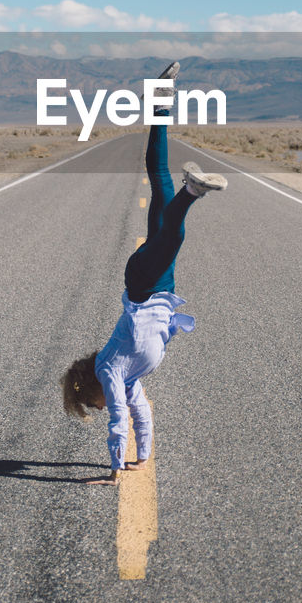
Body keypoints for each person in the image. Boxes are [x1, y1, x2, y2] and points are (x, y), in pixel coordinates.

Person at [60, 63, 227, 485]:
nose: (100, 408)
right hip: (162, 291)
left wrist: (116, 470)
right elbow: (139, 411)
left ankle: (193, 192)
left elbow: (119, 416)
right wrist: (144, 457)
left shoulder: (110, 372)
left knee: (172, 235)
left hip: (141, 285)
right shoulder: (127, 376)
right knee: (158, 182)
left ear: (88, 387)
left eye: (91, 405)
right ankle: (160, 102)